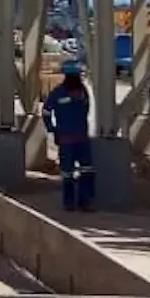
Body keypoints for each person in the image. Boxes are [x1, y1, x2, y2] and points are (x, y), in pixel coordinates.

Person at [43, 58, 96, 211]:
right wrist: (52, 130)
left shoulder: (63, 92)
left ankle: (77, 202)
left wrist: (52, 129)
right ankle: (77, 202)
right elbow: (46, 112)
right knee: (74, 172)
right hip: (75, 139)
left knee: (78, 171)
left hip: (73, 138)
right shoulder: (76, 92)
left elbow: (46, 112)